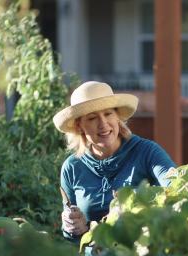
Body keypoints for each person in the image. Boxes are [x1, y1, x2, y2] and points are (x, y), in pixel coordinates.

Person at [53, 81, 176, 245]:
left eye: (108, 114)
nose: (103, 124)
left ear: (117, 116)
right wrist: (73, 226)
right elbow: (73, 235)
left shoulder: (148, 152)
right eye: (92, 118)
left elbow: (178, 190)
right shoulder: (72, 167)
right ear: (79, 126)